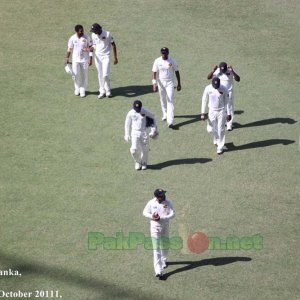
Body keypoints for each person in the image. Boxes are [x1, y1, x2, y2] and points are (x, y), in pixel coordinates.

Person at [143, 189, 175, 279]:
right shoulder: (151, 203)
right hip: (154, 227)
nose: (164, 196)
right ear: (157, 197)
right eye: (162, 195)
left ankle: (163, 260)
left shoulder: (168, 202)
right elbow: (144, 212)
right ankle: (158, 270)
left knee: (165, 245)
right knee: (156, 248)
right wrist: (152, 216)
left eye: (164, 194)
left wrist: (162, 218)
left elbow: (173, 214)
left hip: (165, 226)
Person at [152, 47, 181, 129]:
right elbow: (154, 72)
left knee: (170, 100)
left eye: (165, 53)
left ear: (168, 53)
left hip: (170, 83)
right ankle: (165, 114)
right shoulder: (157, 61)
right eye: (162, 53)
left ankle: (170, 121)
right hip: (160, 83)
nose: (164, 54)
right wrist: (154, 84)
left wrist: (179, 84)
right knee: (162, 99)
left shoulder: (172, 61)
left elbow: (177, 71)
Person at [200, 77, 231, 155]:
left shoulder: (224, 89)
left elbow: (227, 101)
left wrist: (228, 113)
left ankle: (220, 147)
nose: (216, 87)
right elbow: (204, 100)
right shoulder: (208, 88)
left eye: (217, 86)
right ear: (212, 83)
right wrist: (202, 113)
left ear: (220, 83)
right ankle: (217, 138)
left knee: (221, 129)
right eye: (214, 86)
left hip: (221, 111)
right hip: (211, 111)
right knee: (210, 129)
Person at [124, 100, 158, 170]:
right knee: (133, 150)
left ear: (141, 107)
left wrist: (153, 130)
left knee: (145, 149)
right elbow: (127, 124)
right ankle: (137, 162)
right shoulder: (130, 113)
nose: (137, 110)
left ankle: (144, 163)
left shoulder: (145, 111)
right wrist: (126, 134)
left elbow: (153, 117)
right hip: (134, 133)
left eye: (139, 109)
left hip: (143, 132)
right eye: (136, 109)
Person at [207, 62, 240, 131]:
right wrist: (213, 70)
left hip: (229, 92)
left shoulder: (230, 71)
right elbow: (208, 77)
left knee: (229, 107)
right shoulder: (217, 71)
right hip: (219, 92)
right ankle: (221, 122)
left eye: (224, 70)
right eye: (222, 71)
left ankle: (229, 125)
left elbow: (238, 79)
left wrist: (233, 71)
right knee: (220, 107)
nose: (223, 72)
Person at [90, 23, 118, 99]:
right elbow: (94, 44)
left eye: (95, 30)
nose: (94, 32)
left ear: (99, 29)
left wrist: (115, 58)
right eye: (93, 31)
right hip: (97, 57)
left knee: (105, 74)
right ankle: (102, 91)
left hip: (106, 57)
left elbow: (113, 45)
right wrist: (92, 48)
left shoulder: (107, 34)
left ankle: (108, 91)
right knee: (100, 74)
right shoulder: (93, 35)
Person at [64, 25, 93, 98]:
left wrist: (90, 58)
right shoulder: (72, 38)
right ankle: (77, 88)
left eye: (82, 30)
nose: (82, 32)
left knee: (84, 75)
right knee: (75, 74)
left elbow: (91, 47)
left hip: (84, 59)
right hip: (75, 60)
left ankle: (83, 89)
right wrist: (67, 58)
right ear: (76, 31)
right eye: (80, 31)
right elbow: (69, 49)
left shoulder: (87, 37)